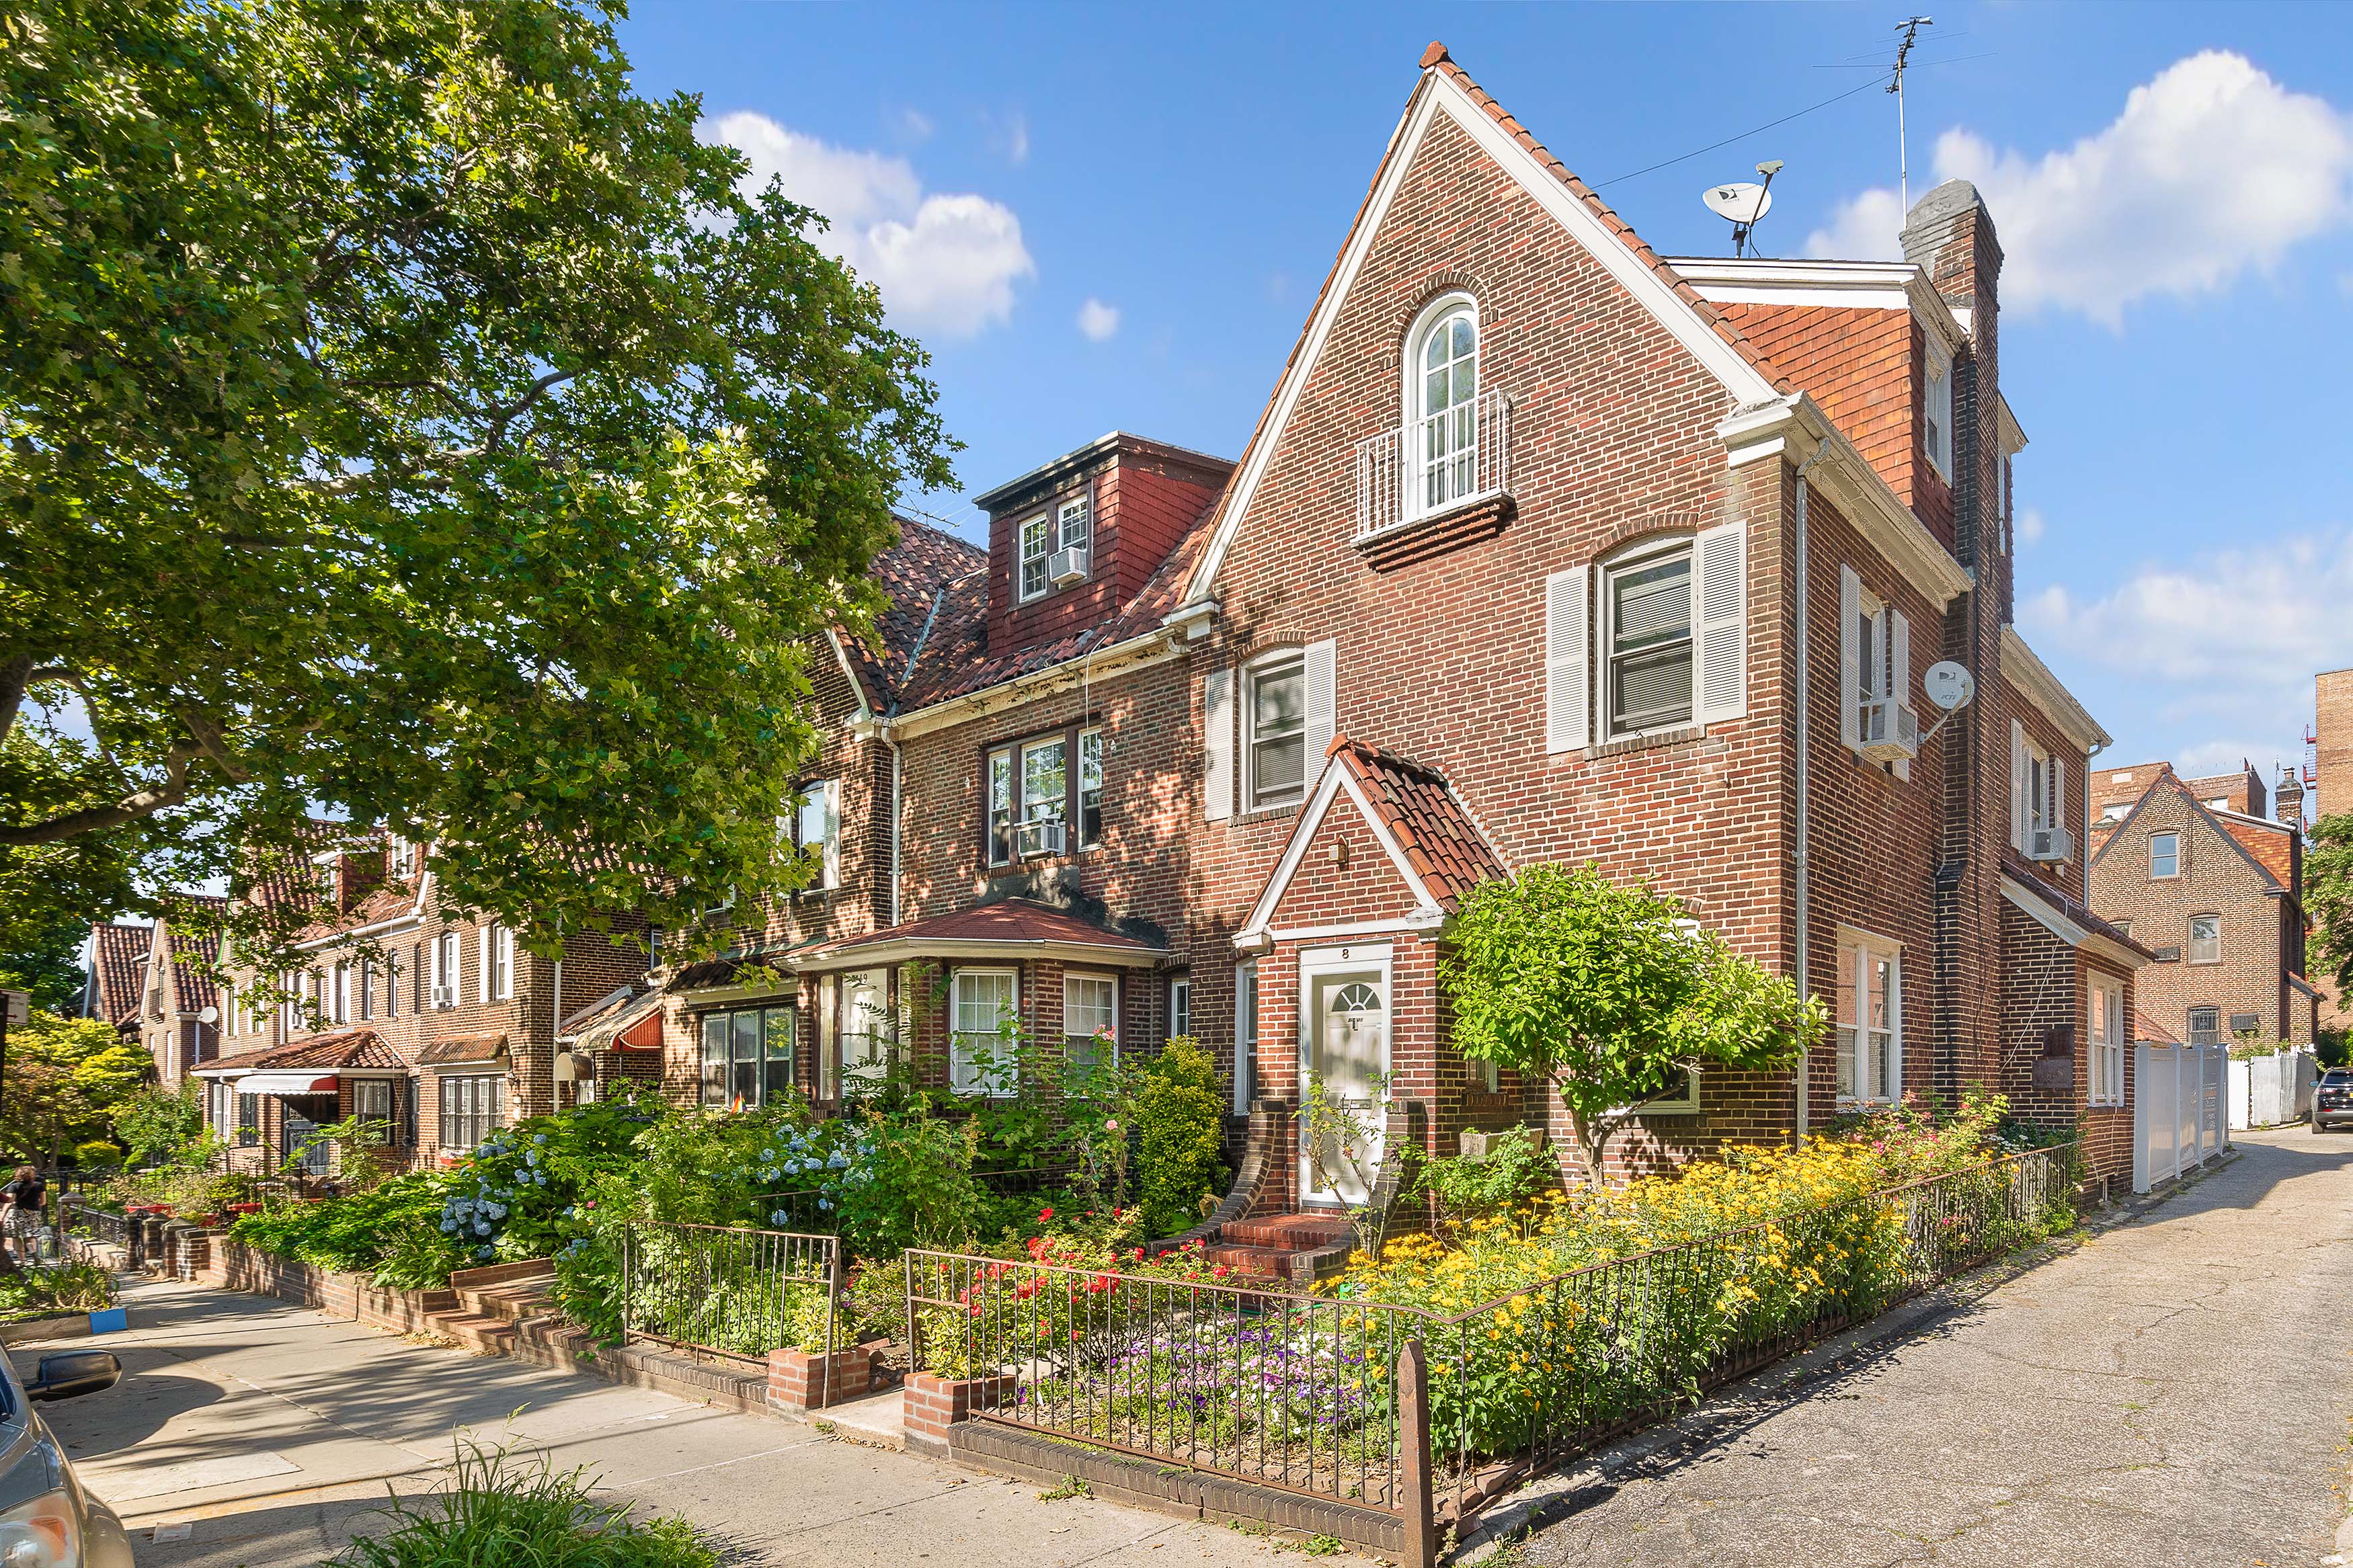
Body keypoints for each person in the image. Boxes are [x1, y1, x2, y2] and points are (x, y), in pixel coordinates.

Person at [0, 1166, 46, 1267]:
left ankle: (22, 1261)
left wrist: (3, 1215)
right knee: (30, 1236)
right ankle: (34, 1254)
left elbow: (9, 1201)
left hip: (17, 1213)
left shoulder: (14, 1186)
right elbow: (43, 1202)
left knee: (16, 1237)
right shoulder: (39, 1185)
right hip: (33, 1213)